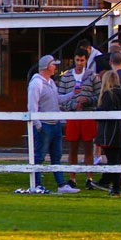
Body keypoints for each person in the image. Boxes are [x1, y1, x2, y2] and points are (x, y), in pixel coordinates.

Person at [27, 55, 80, 194]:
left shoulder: (50, 83)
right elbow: (32, 106)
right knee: (39, 156)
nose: (55, 67)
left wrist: (72, 94)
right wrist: (38, 125)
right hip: (44, 125)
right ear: (47, 67)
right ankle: (37, 184)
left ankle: (61, 184)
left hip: (54, 124)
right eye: (53, 65)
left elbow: (57, 100)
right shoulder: (36, 84)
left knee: (56, 155)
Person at [57, 48, 100, 189]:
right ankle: (72, 178)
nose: (79, 63)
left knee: (88, 147)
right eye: (77, 60)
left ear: (86, 60)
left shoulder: (92, 76)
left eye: (82, 60)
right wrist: (73, 104)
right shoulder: (67, 76)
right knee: (72, 148)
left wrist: (86, 101)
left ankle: (89, 177)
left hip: (87, 115)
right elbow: (60, 98)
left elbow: (98, 96)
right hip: (73, 116)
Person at [95, 70, 121, 195]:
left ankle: (114, 186)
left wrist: (96, 111)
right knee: (116, 159)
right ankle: (112, 183)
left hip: (110, 133)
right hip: (120, 132)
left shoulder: (109, 95)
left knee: (113, 160)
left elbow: (104, 113)